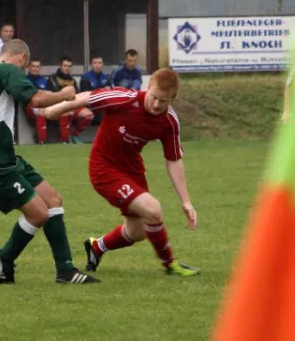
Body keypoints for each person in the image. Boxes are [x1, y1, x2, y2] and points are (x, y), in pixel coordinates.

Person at [0, 39, 99, 284]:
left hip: (4, 158)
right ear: (22, 59)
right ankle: (2, 261)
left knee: (53, 200)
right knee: (38, 214)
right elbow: (36, 100)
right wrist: (65, 94)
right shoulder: (7, 69)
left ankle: (65, 270)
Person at [41, 68, 200, 277]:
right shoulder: (123, 98)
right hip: (103, 167)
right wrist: (54, 110)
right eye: (154, 97)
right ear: (148, 87)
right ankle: (170, 264)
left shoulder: (169, 121)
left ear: (173, 98)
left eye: (163, 101)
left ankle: (97, 247)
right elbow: (86, 97)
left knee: (138, 231)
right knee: (153, 209)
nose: (156, 105)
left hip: (132, 169)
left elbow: (173, 160)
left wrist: (186, 201)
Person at [47, 56, 94, 144]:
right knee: (67, 112)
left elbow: (77, 95)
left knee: (89, 115)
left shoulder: (72, 80)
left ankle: (75, 135)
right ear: (60, 66)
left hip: (72, 105)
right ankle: (65, 140)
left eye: (69, 66)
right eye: (65, 65)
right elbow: (52, 96)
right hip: (58, 105)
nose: (67, 68)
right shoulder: (52, 78)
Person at [25, 58, 72, 144]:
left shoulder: (44, 81)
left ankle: (65, 141)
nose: (35, 69)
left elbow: (49, 95)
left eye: (37, 67)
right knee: (41, 111)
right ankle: (41, 141)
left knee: (61, 111)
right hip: (30, 106)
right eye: (33, 66)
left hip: (44, 105)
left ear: (40, 68)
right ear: (29, 68)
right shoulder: (24, 80)